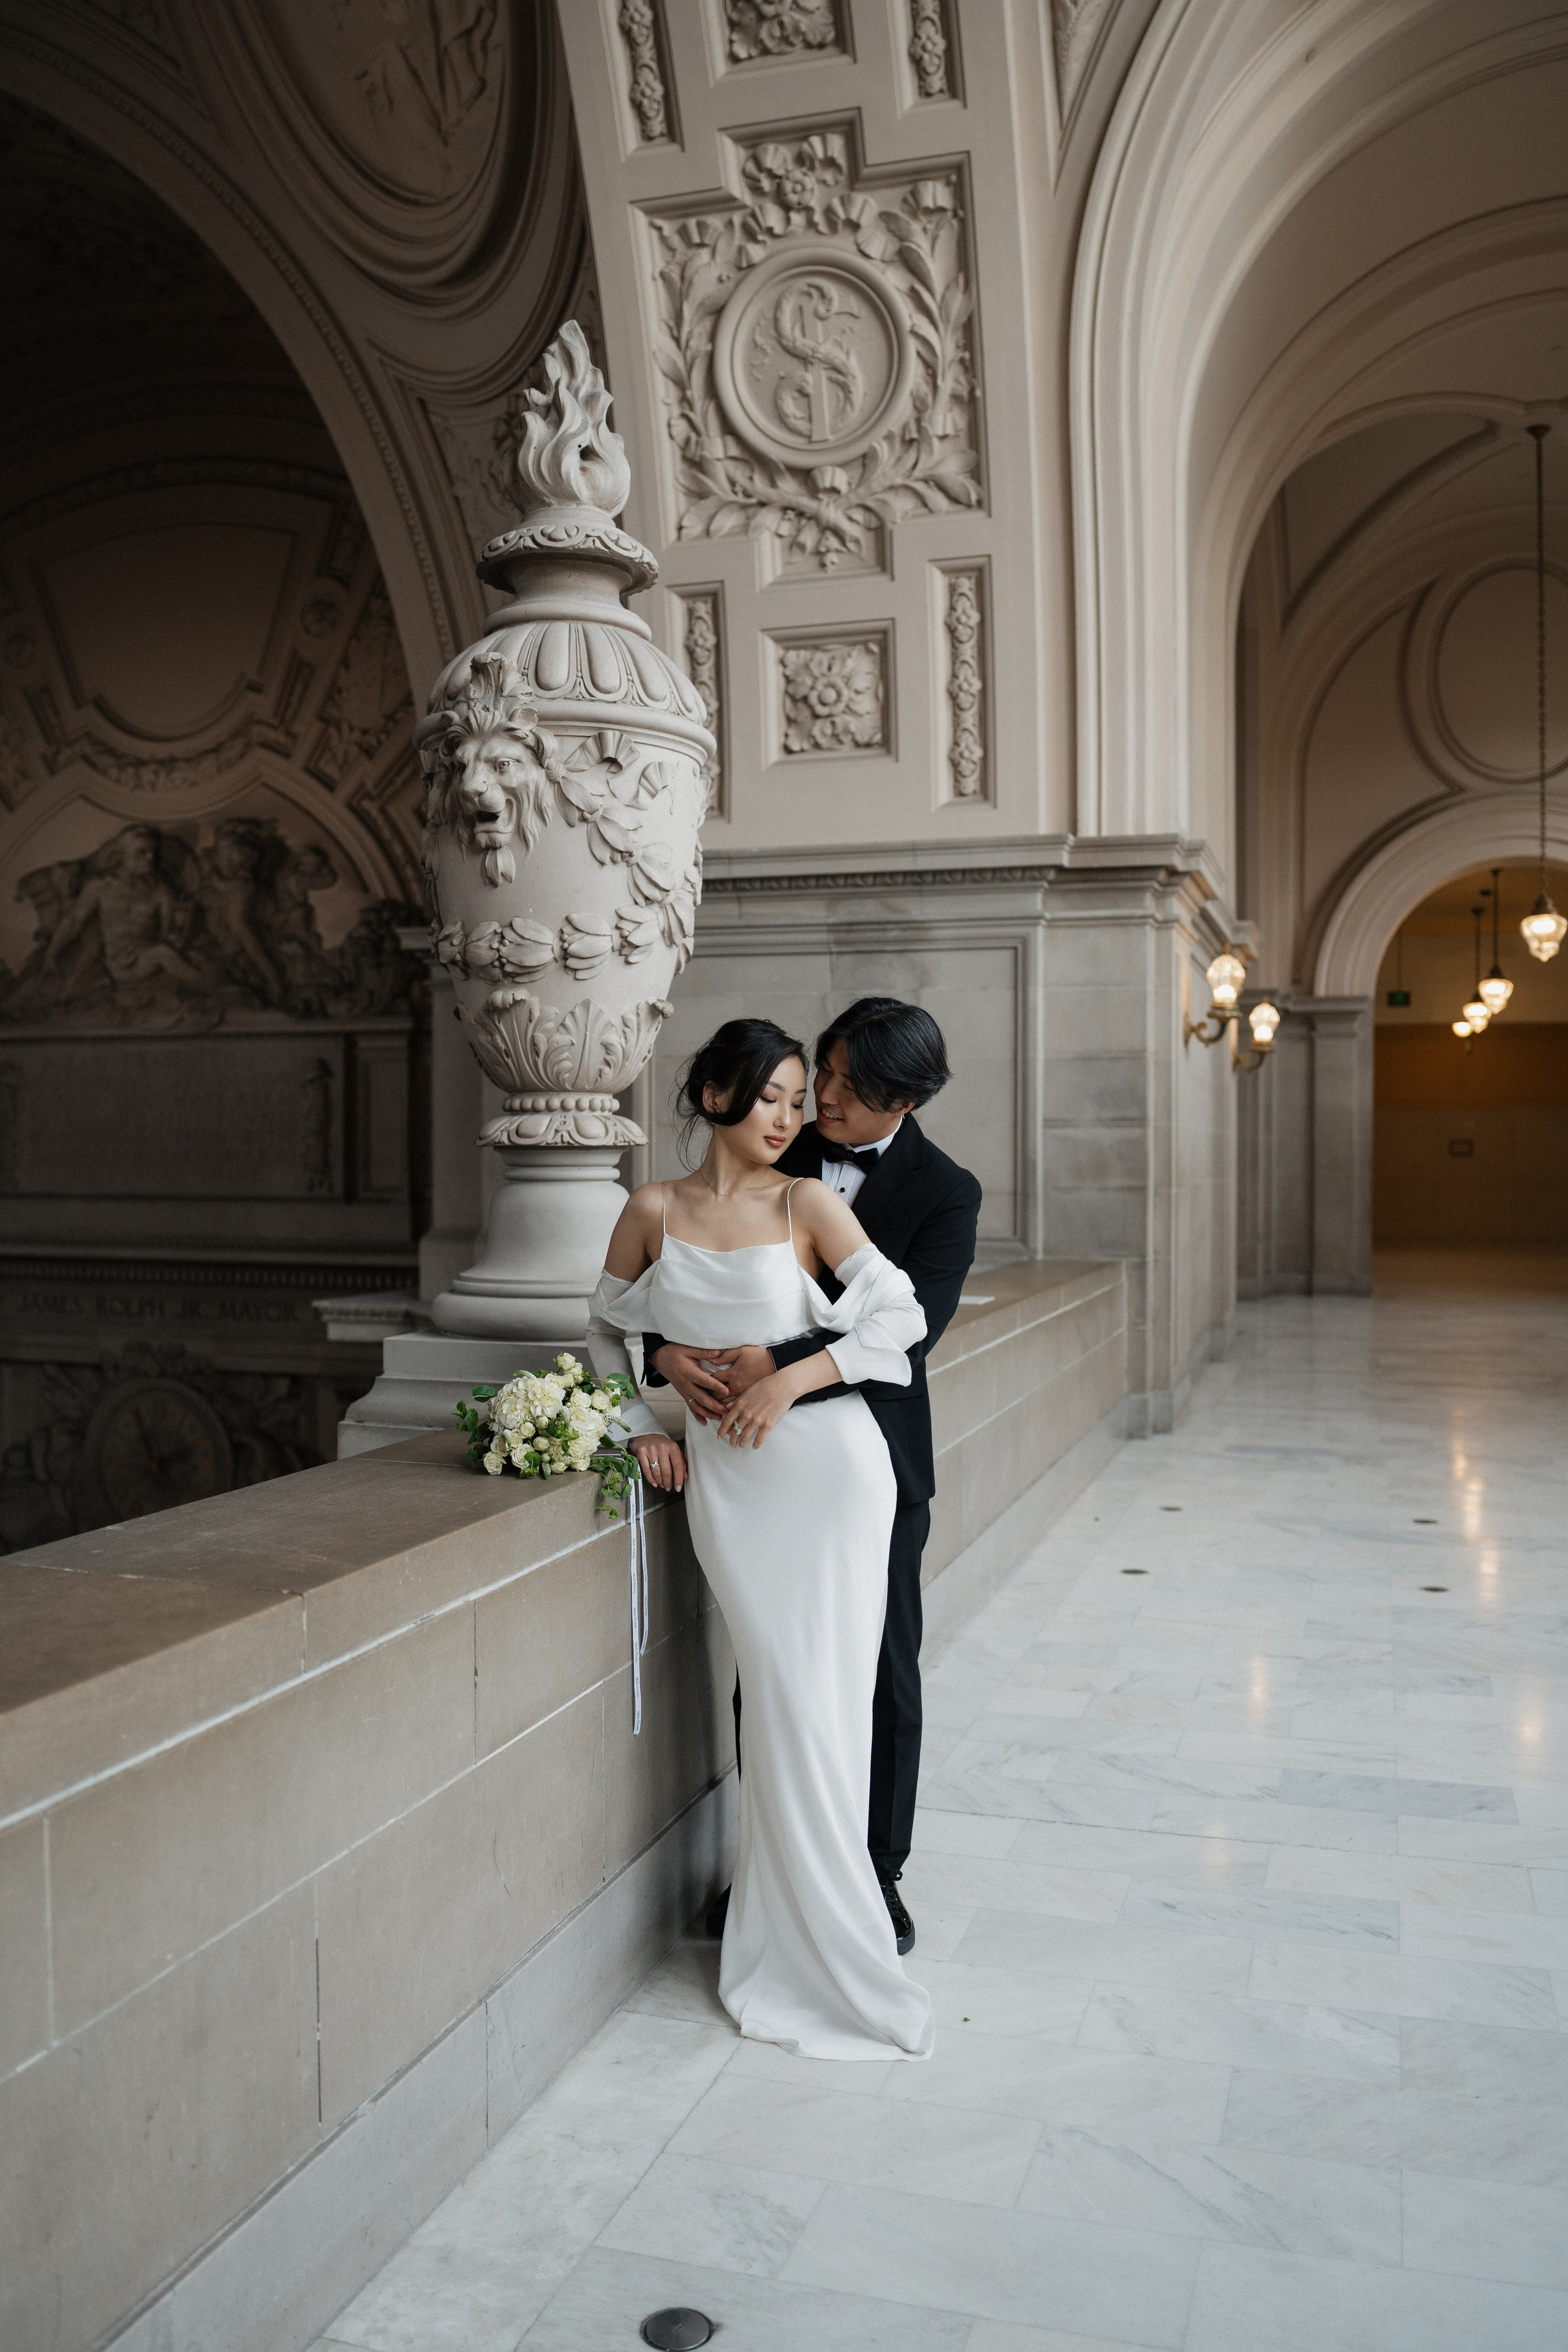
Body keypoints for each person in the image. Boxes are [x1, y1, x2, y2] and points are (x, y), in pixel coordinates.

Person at [587, 1018, 934, 2063]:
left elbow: (899, 1318)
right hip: (731, 1493)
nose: (791, 1118)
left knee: (817, 1705)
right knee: (780, 1696)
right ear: (711, 1096)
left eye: (800, 1099)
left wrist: (790, 1374)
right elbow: (605, 1330)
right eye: (774, 1097)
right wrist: (643, 1421)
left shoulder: (807, 1202)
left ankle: (829, 1944)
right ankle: (789, 1930)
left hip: (829, 1474)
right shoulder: (650, 1209)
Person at [643, 998, 981, 1954]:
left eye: (848, 1089)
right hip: (752, 1468)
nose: (819, 1101)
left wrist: (781, 1366)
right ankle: (776, 1868)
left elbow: (915, 1334)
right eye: (819, 1074)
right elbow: (680, 1294)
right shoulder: (766, 1146)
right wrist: (663, 1356)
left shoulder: (947, 1192)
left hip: (867, 1458)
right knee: (771, 1670)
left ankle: (877, 1874)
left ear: (906, 1102)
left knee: (883, 1672)